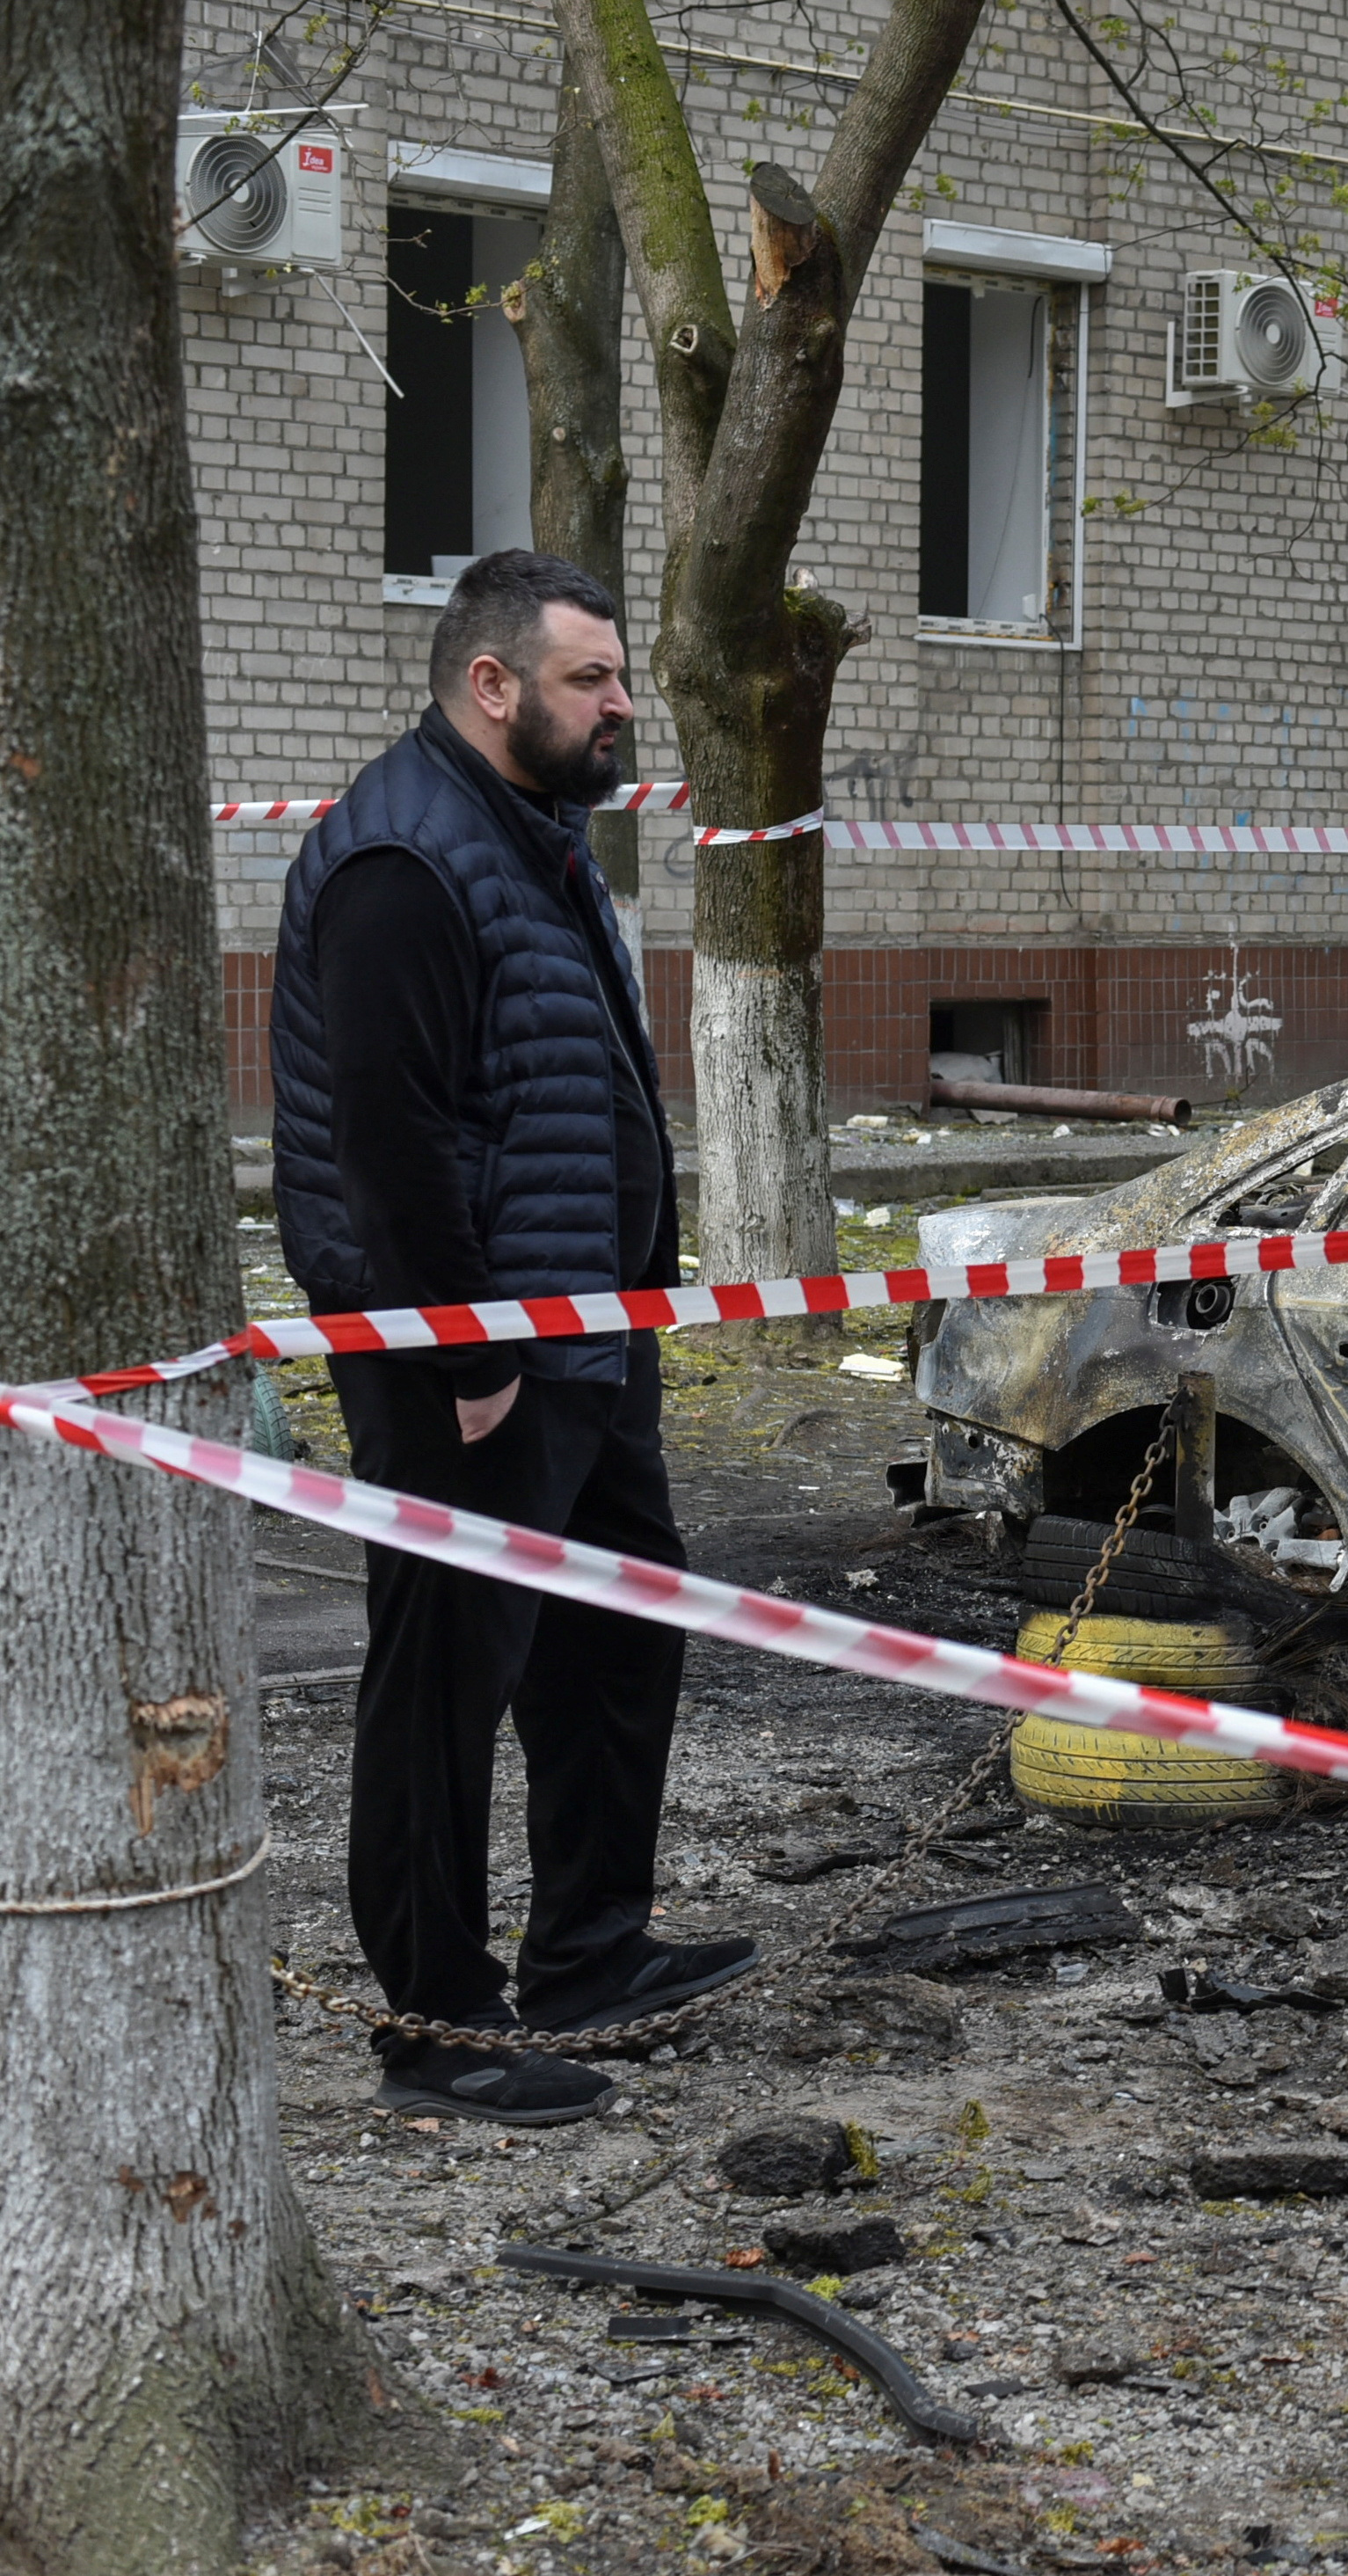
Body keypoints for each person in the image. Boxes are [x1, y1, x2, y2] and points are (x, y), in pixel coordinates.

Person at [270, 550, 754, 2125]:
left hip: (583, 1336)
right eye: (588, 680)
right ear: (492, 685)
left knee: (618, 1633)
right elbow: (389, 1147)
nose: (621, 707)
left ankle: (590, 1953)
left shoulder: (527, 833)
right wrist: (468, 1357)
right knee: (443, 1681)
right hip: (468, 1361)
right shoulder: (401, 857)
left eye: (619, 677)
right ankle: (436, 2024)